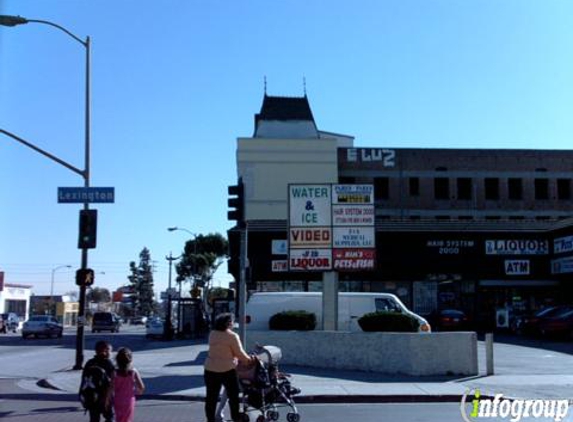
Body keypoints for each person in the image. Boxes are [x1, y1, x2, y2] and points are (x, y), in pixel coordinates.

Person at [204, 313, 254, 422]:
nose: (232, 324)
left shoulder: (212, 334)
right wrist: (249, 360)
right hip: (227, 370)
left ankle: (210, 419)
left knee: (211, 397)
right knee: (233, 396)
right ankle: (235, 417)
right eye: (231, 321)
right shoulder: (232, 336)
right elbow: (239, 353)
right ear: (228, 323)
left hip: (210, 369)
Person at [83, 340, 115, 422]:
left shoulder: (89, 363)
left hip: (92, 397)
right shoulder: (108, 363)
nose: (111, 353)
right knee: (109, 418)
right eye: (110, 350)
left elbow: (84, 380)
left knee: (94, 419)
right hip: (105, 396)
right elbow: (113, 380)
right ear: (105, 351)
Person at [113, 347, 145, 422]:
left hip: (118, 399)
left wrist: (107, 399)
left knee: (119, 419)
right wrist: (139, 392)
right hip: (129, 399)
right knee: (127, 419)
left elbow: (111, 387)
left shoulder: (115, 372)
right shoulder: (133, 372)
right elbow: (142, 387)